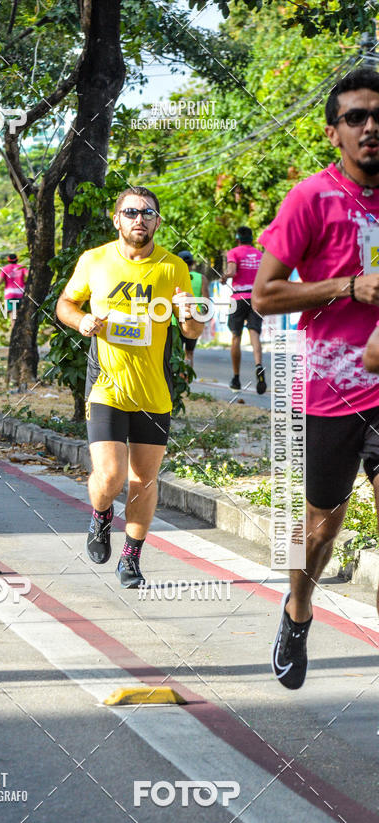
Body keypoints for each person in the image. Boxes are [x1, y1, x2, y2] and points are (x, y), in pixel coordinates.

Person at [252, 67, 379, 690]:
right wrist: (348, 287)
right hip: (333, 392)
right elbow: (265, 295)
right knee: (321, 528)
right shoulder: (311, 198)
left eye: (378, 115)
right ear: (335, 133)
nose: (371, 127)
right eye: (356, 117)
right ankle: (298, 609)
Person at [56, 187, 203, 588]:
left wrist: (190, 316)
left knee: (144, 480)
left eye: (148, 213)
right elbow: (65, 304)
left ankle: (131, 558)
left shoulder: (174, 268)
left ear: (157, 221)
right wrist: (81, 321)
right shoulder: (95, 260)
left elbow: (190, 329)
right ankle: (101, 516)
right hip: (106, 386)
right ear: (116, 218)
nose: (140, 218)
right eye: (132, 211)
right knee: (111, 476)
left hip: (154, 390)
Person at [222, 226, 266, 394]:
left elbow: (232, 271)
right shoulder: (260, 255)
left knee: (236, 337)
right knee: (255, 334)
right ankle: (259, 366)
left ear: (237, 239)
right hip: (256, 298)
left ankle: (236, 378)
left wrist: (225, 276)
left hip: (238, 298)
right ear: (251, 239)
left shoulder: (234, 252)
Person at [177, 250, 210, 368]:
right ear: (192, 264)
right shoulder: (201, 278)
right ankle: (187, 377)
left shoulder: (175, 277)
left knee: (177, 352)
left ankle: (178, 377)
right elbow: (206, 300)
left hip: (176, 319)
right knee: (190, 352)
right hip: (195, 319)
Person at [0, 253, 28, 320]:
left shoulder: (5, 269)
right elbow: (28, 276)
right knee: (21, 316)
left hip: (10, 294)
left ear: (8, 260)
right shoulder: (22, 267)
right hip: (21, 293)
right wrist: (25, 282)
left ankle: (14, 329)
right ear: (17, 259)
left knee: (13, 317)